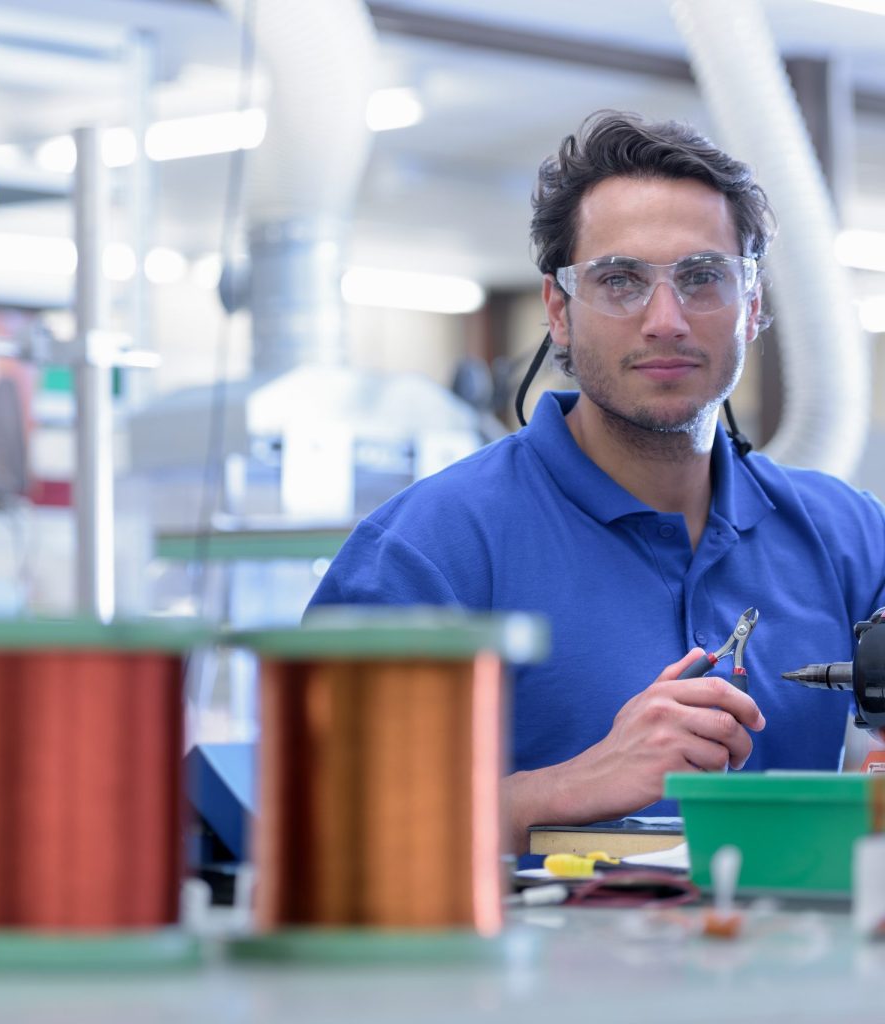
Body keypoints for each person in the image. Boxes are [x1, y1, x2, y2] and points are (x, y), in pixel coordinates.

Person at [308, 110, 885, 852]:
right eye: (620, 281)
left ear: (753, 307)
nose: (666, 319)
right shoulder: (426, 553)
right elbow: (321, 828)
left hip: (789, 962)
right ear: (559, 311)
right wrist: (572, 785)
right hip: (520, 968)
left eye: (704, 277)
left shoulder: (848, 536)